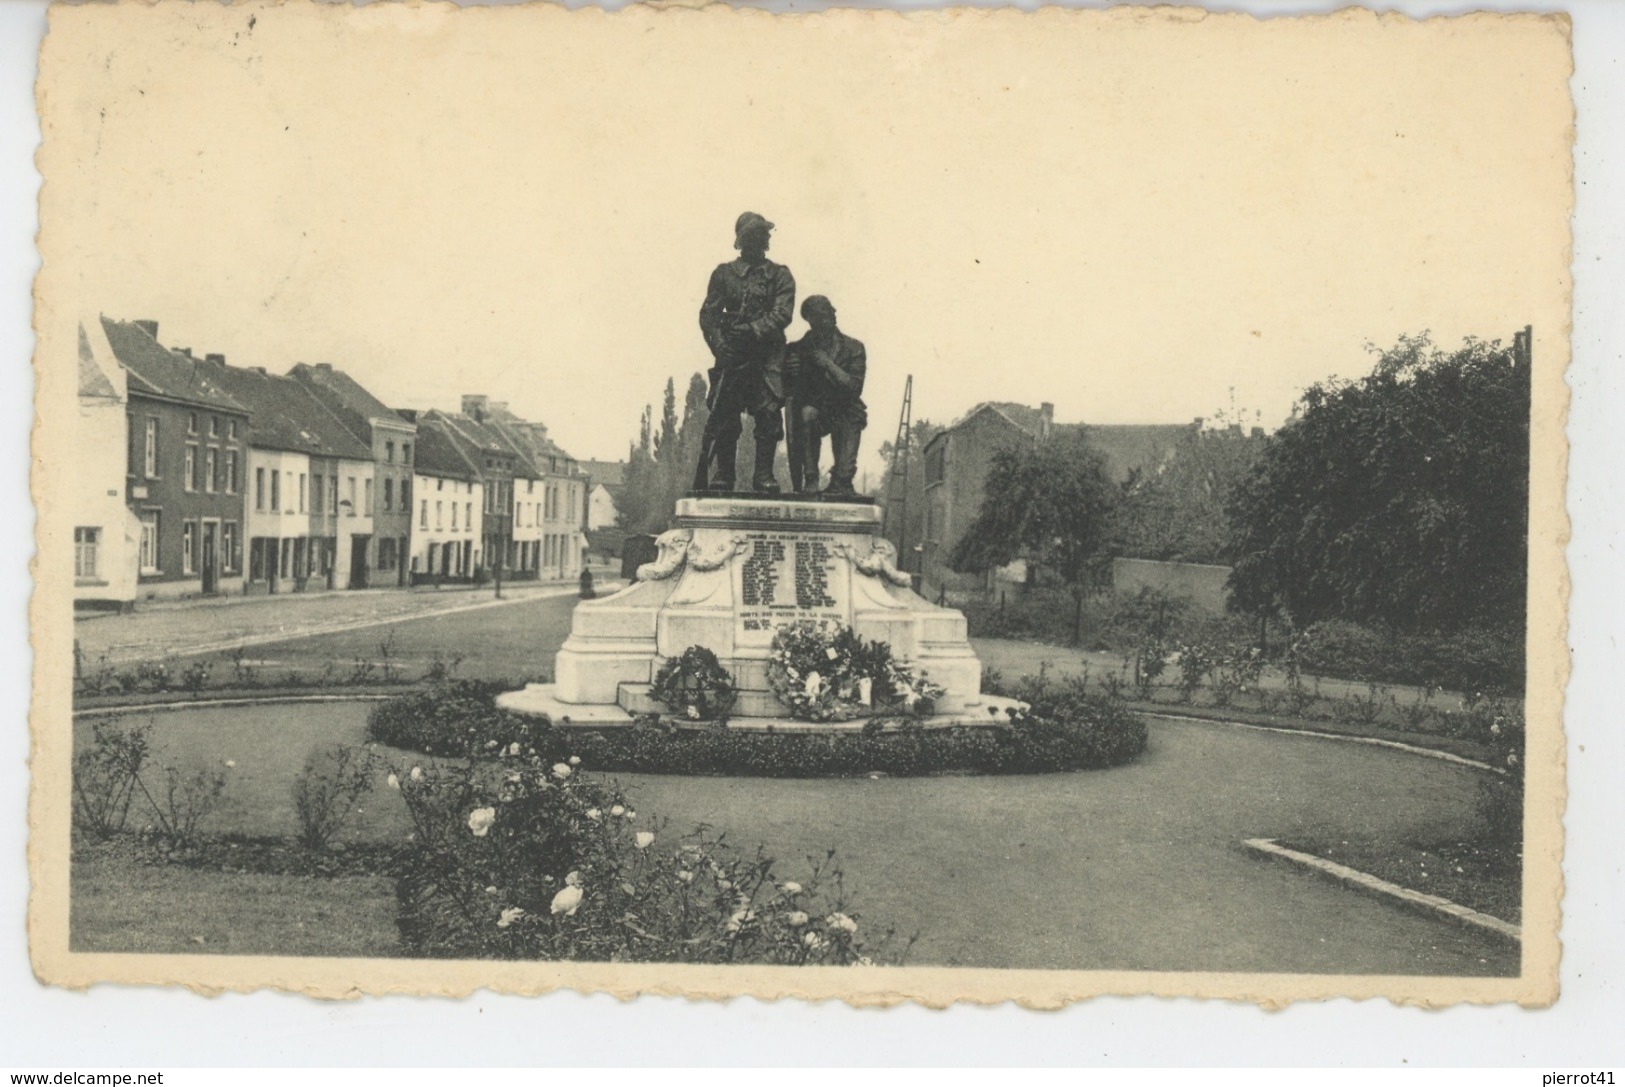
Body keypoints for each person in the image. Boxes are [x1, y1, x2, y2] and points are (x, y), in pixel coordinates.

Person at [694, 212, 796, 493]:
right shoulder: (724, 274)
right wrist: (721, 347)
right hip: (733, 354)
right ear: (742, 240)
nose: (762, 239)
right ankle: (724, 474)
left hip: (768, 354)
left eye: (764, 234)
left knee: (769, 410)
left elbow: (782, 313)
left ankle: (763, 474)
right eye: (755, 234)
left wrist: (753, 329)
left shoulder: (780, 275)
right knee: (726, 411)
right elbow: (708, 316)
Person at [786, 295, 867, 496]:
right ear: (810, 321)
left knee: (843, 480)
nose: (829, 318)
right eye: (821, 316)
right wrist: (789, 371)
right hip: (818, 412)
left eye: (830, 312)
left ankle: (841, 479)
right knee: (807, 413)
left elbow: (854, 387)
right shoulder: (798, 349)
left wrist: (828, 364)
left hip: (847, 412)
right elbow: (787, 391)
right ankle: (811, 478)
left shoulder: (854, 347)